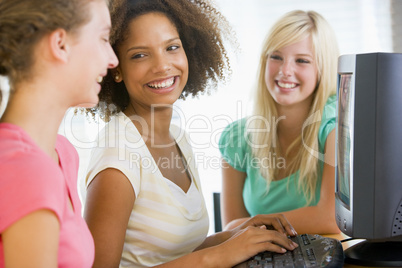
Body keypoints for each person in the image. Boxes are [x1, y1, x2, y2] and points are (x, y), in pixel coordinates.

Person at [83, 0, 299, 267]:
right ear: (117, 69)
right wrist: (218, 255)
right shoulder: (117, 159)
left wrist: (237, 235)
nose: (162, 66)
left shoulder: (177, 137)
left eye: (172, 47)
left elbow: (178, 252)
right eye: (140, 55)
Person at [0, 0, 118, 267]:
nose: (113, 60)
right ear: (60, 45)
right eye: (103, 38)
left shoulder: (63, 153)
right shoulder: (23, 167)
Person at [219, 10, 341, 235]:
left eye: (302, 61)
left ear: (322, 69)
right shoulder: (238, 136)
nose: (285, 71)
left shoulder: (335, 127)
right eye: (276, 57)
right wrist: (241, 228)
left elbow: (331, 218)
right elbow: (230, 231)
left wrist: (250, 226)